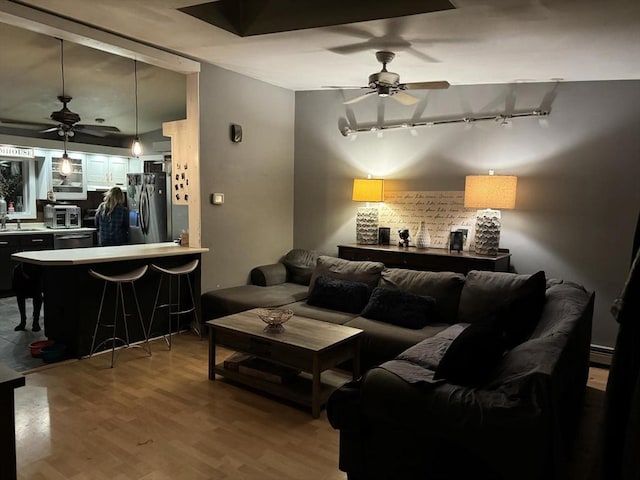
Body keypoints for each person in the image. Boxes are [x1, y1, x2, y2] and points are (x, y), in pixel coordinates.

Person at [12, 263, 43, 332]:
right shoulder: (18, 270)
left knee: (37, 296)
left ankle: (35, 321)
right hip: (22, 282)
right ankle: (23, 321)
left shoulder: (39, 269)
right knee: (20, 296)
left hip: (35, 279)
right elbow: (15, 288)